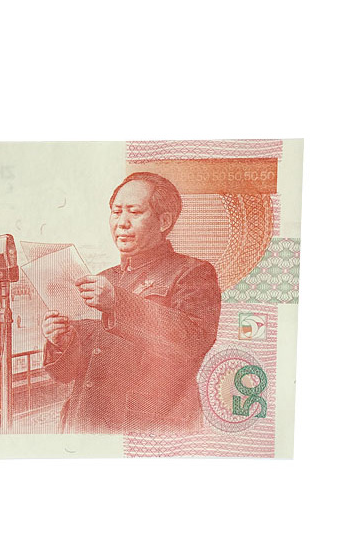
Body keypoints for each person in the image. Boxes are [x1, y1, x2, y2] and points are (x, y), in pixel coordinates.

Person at [42, 172, 221, 434]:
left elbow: (193, 340)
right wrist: (63, 341)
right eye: (116, 212)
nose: (122, 223)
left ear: (164, 221)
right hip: (85, 426)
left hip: (149, 429)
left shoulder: (192, 273)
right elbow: (66, 374)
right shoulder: (105, 278)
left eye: (134, 212)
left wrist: (117, 303)